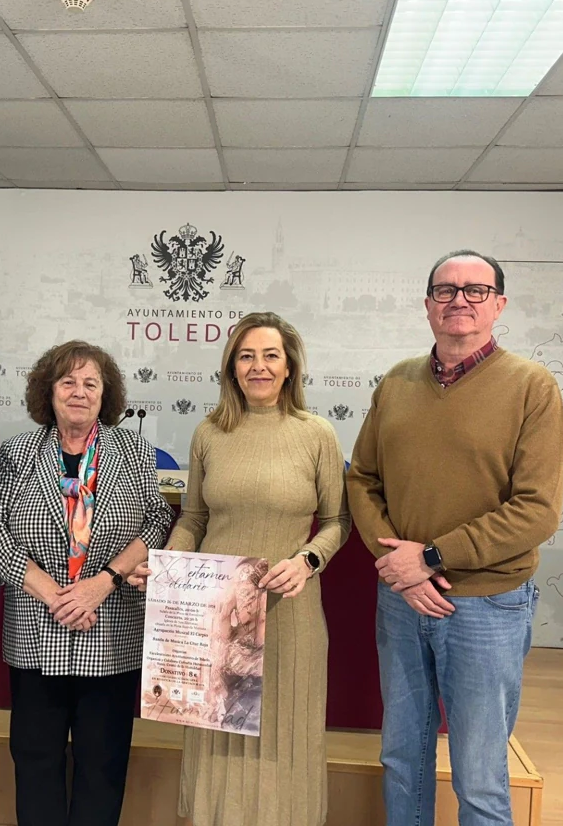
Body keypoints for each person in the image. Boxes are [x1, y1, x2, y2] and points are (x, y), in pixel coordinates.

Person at [346, 251, 563, 826]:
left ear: (498, 304)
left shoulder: (531, 387)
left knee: (480, 773)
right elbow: (362, 479)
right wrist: (395, 561)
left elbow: (538, 511)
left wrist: (432, 558)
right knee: (402, 757)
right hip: (401, 599)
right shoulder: (396, 383)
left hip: (485, 604)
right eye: (445, 291)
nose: (459, 301)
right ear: (427, 306)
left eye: (476, 290)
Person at [129, 311, 351, 826]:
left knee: (286, 734)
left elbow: (337, 521)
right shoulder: (210, 432)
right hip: (218, 614)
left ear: (290, 367)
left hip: (290, 613)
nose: (259, 366)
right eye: (246, 356)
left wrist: (307, 560)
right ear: (231, 368)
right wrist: (167, 567)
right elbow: (194, 518)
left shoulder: (317, 434)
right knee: (219, 738)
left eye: (270, 355)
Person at [0, 340, 172, 826]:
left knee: (102, 767)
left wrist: (102, 582)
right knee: (35, 761)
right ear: (49, 390)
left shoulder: (133, 452)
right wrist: (53, 593)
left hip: (109, 631)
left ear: (107, 395)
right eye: (68, 382)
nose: (79, 392)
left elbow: (157, 521)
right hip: (38, 632)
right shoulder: (19, 453)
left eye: (91, 383)